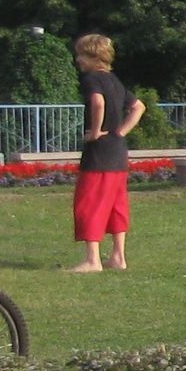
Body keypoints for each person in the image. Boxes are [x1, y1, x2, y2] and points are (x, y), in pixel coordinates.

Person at [66, 34, 143, 273]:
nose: (78, 59)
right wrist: (121, 131)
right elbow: (139, 106)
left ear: (92, 56)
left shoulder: (92, 79)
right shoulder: (114, 80)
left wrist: (96, 131)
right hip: (118, 153)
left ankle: (93, 260)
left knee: (90, 203)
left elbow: (97, 103)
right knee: (116, 205)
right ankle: (118, 257)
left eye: (81, 54)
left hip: (99, 153)